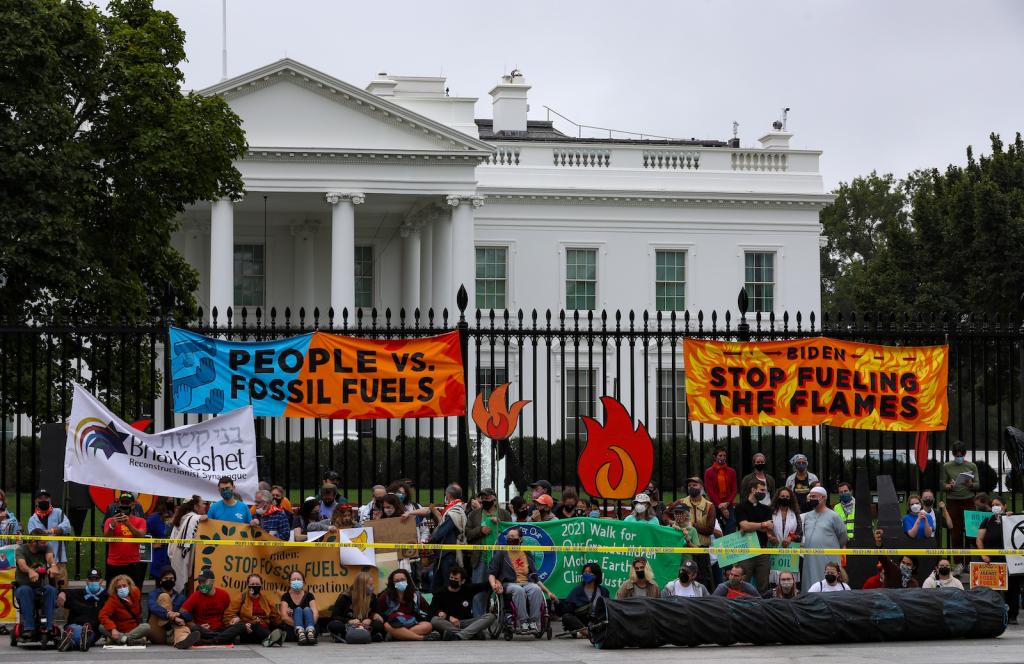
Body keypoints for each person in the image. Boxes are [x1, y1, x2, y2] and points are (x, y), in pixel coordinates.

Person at [488, 526, 551, 632]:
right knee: (519, 590)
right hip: (509, 583)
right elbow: (492, 573)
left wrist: (548, 592)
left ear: (520, 539)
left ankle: (533, 622)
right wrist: (493, 584)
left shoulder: (527, 553)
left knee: (535, 589)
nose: (510, 538)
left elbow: (535, 577)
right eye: (508, 536)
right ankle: (523, 622)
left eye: (513, 536)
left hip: (526, 582)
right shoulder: (501, 553)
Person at [976, 496, 1021, 624]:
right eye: (993, 504)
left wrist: (1012, 518)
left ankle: (1012, 615)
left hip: (1010, 561)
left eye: (998, 504)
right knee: (993, 589)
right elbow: (979, 539)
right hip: (992, 560)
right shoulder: (987, 520)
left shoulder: (1009, 519)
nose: (995, 506)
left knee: (1013, 588)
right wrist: (983, 555)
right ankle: (994, 615)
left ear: (1004, 506)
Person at [465, 488, 510, 616]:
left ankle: (503, 619)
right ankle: (477, 622)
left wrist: (500, 524)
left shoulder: (503, 514)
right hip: (481, 560)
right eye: (483, 498)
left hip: (501, 560)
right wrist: (480, 530)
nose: (485, 501)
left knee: (503, 590)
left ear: (494, 500)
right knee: (478, 593)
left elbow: (512, 531)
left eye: (488, 498)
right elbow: (467, 533)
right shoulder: (474, 515)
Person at [428, 565, 495, 640]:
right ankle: (470, 634)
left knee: (490, 616)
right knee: (435, 620)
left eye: (456, 579)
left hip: (467, 623)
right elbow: (430, 612)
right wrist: (448, 617)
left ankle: (458, 635)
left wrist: (496, 582)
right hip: (449, 623)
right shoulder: (440, 592)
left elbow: (486, 585)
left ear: (462, 581)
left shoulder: (468, 589)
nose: (453, 580)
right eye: (451, 578)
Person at [14, 531, 59, 642]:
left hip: (41, 586)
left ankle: (48, 627)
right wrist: (30, 571)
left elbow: (49, 558)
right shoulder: (21, 550)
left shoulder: (46, 547)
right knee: (25, 591)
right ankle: (29, 628)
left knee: (51, 590)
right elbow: (21, 564)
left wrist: (53, 566)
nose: (45, 544)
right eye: (42, 542)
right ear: (33, 542)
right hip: (25, 585)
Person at [801, 486, 847, 590]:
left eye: (814, 496)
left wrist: (832, 547)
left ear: (823, 498)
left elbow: (843, 536)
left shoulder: (834, 516)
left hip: (828, 558)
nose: (811, 499)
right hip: (810, 558)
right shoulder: (807, 516)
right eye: (810, 497)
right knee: (810, 581)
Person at [375, 569, 439, 641]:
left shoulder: (415, 595)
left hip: (412, 623)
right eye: (397, 581)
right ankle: (421, 638)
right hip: (394, 625)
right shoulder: (386, 596)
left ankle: (397, 635)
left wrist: (440, 613)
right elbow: (377, 610)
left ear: (407, 580)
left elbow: (429, 609)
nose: (400, 582)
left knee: (428, 626)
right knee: (387, 626)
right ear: (392, 583)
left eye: (402, 580)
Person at [222, 573, 285, 647]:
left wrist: (282, 625)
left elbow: (275, 617)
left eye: (257, 584)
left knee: (280, 629)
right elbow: (228, 615)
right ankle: (271, 638)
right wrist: (241, 623)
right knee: (256, 626)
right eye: (252, 584)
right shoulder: (241, 598)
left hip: (264, 628)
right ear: (248, 585)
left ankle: (271, 638)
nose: (255, 586)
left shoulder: (266, 599)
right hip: (248, 630)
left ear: (261, 585)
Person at [735, 479, 774, 594]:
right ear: (753, 490)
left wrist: (750, 526)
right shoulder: (740, 507)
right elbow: (744, 525)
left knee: (763, 585)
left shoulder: (766, 509)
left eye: (765, 491)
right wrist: (762, 524)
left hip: (762, 550)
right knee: (742, 583)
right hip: (746, 550)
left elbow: (769, 527)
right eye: (761, 490)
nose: (764, 493)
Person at [428, 484, 469, 593]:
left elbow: (442, 531)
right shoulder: (458, 508)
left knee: (446, 584)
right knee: (438, 584)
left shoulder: (453, 511)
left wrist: (430, 541)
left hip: (448, 554)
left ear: (448, 495)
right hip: (444, 553)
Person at [27, 488, 72, 586]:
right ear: (36, 501)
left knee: (62, 589)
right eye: (41, 498)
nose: (44, 500)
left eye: (46, 498)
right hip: (40, 561)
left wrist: (52, 531)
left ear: (50, 500)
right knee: (43, 588)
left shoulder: (58, 512)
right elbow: (32, 540)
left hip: (59, 558)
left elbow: (67, 526)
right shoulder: (32, 520)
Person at [103, 491, 148, 588]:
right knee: (112, 594)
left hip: (133, 564)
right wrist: (112, 526)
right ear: (119, 504)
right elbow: (107, 540)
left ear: (133, 505)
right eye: (122, 503)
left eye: (127, 503)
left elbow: (140, 537)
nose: (124, 505)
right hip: (114, 564)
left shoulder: (141, 521)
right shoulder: (110, 520)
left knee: (134, 593)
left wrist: (128, 524)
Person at [327, 571, 385, 644]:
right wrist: (349, 621)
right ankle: (368, 637)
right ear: (362, 585)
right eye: (370, 585)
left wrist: (370, 619)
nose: (372, 587)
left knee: (378, 625)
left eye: (372, 584)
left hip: (365, 626)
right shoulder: (345, 596)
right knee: (334, 625)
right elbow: (334, 616)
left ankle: (348, 638)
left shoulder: (373, 597)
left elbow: (378, 614)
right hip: (349, 626)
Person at [56, 568, 106, 651]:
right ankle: (80, 642)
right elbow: (63, 593)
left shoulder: (106, 596)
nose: (94, 582)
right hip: (74, 625)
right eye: (91, 579)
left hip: (92, 630)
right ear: (87, 581)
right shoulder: (76, 593)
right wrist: (62, 593)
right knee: (74, 629)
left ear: (101, 581)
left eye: (96, 579)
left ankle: (70, 642)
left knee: (87, 632)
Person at [146, 566, 196, 648]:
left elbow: (189, 615)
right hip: (157, 630)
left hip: (173, 630)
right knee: (164, 597)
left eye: (171, 578)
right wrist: (171, 615)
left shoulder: (181, 597)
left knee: (182, 626)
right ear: (161, 580)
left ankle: (182, 640)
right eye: (166, 578)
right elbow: (153, 607)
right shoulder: (153, 594)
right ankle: (170, 627)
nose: (169, 580)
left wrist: (178, 615)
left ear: (174, 581)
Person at [179, 568, 231, 646]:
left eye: (204, 582)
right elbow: (182, 612)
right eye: (199, 582)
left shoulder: (224, 595)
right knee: (194, 628)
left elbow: (229, 613)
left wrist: (233, 620)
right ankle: (221, 638)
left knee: (239, 626)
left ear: (212, 581)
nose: (201, 584)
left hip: (220, 629)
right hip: (202, 629)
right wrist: (195, 624)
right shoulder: (195, 595)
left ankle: (208, 640)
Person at [942, 440, 978, 552]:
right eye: (957, 455)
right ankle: (958, 563)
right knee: (955, 533)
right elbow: (941, 484)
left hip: (969, 501)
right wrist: (948, 486)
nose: (959, 457)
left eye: (961, 455)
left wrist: (971, 484)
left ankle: (968, 562)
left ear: (964, 453)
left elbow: (978, 484)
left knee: (970, 533)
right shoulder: (946, 466)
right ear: (953, 454)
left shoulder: (972, 466)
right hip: (953, 502)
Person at [560, 562, 609, 638]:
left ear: (596, 575)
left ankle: (583, 633)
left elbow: (608, 609)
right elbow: (567, 611)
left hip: (597, 622)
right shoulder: (576, 590)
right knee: (567, 617)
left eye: (589, 572)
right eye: (585, 572)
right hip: (581, 622)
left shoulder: (603, 591)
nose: (586, 574)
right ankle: (587, 633)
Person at [99, 575, 151, 645]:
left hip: (134, 630)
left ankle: (120, 640)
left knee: (146, 626)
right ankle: (130, 640)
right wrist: (113, 629)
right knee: (101, 627)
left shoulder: (135, 593)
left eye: (124, 586)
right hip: (118, 630)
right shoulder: (113, 599)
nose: (122, 588)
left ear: (129, 585)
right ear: (115, 589)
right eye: (119, 587)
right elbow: (102, 615)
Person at [168, 496, 206, 594]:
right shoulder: (192, 518)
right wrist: (200, 517)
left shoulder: (182, 518)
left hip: (177, 557)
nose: (204, 506)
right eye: (202, 503)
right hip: (189, 560)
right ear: (195, 506)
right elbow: (195, 519)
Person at [769, 487, 802, 586]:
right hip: (774, 550)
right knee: (774, 582)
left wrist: (791, 537)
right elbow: (765, 529)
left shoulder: (795, 513)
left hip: (790, 553)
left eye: (787, 497)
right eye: (782, 496)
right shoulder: (770, 511)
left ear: (791, 498)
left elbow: (800, 534)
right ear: (777, 497)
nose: (785, 498)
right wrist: (770, 536)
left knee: (790, 582)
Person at [280, 571, 319, 644]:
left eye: (298, 579)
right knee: (298, 610)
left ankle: (309, 633)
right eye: (293, 579)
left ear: (303, 582)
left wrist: (307, 626)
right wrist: (299, 626)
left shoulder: (309, 595)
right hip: (293, 627)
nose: (296, 581)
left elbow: (316, 614)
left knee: (307, 609)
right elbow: (284, 617)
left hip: (310, 626)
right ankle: (301, 634)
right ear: (289, 582)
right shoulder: (286, 596)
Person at [146, 497, 175, 581]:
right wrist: (152, 545)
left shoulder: (172, 515)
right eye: (169, 501)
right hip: (159, 555)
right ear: (162, 503)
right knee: (160, 582)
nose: (171, 503)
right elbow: (144, 535)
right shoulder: (153, 518)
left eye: (172, 501)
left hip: (171, 554)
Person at [704, 446, 738, 511]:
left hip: (728, 505)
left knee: (731, 521)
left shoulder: (732, 472)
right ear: (714, 457)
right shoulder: (708, 472)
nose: (723, 457)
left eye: (724, 456)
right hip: (714, 506)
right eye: (720, 455)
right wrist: (719, 504)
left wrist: (727, 503)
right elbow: (710, 491)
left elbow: (734, 490)